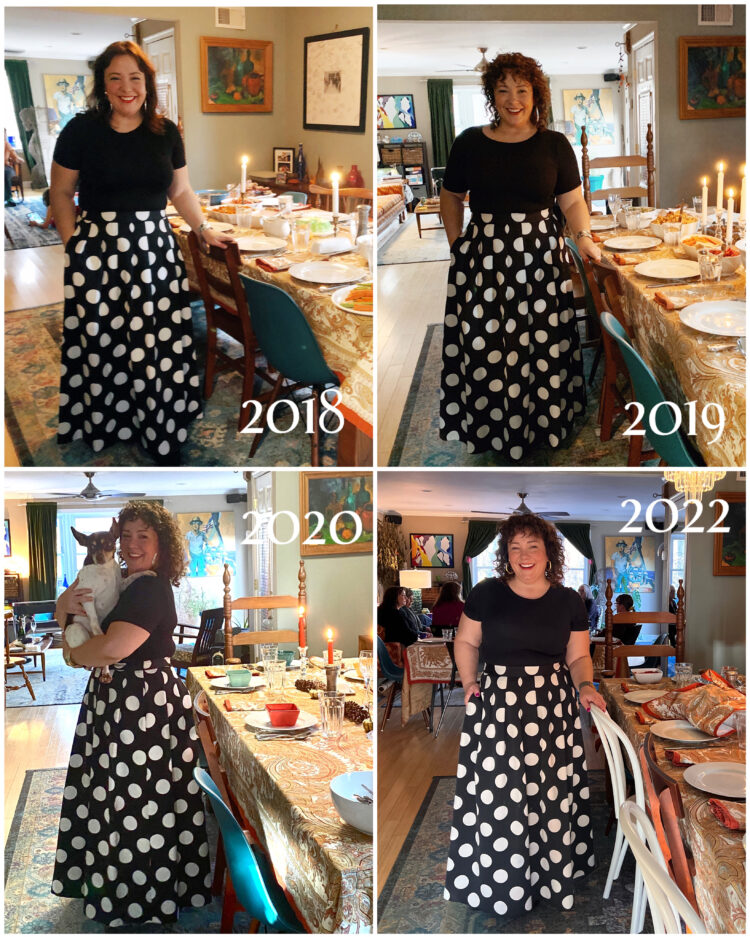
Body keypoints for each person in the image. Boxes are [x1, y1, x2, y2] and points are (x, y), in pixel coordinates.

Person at [50, 40, 234, 464]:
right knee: (105, 341)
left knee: (158, 339)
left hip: (154, 250)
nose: (126, 87)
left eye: (135, 77)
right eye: (115, 77)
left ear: (148, 84)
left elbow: (181, 190)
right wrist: (73, 246)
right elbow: (60, 193)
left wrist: (202, 229)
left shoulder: (166, 132)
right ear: (103, 85)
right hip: (97, 251)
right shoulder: (80, 131)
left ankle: (159, 419)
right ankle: (112, 421)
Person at [52, 501, 212, 925]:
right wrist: (63, 604)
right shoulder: (122, 582)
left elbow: (111, 648)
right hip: (119, 702)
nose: (132, 544)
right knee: (112, 796)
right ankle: (117, 883)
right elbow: (66, 615)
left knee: (137, 802)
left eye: (144, 535)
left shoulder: (149, 588)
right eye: (127, 535)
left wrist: (70, 653)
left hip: (142, 707)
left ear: (161, 544)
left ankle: (137, 899)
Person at [439, 52, 601, 462]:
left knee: (543, 345)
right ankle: (496, 429)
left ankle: (545, 423)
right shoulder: (469, 142)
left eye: (522, 89)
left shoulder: (554, 144)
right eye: (503, 90)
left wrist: (583, 237)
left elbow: (572, 200)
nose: (513, 99)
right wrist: (457, 243)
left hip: (542, 259)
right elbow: (451, 196)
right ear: (492, 95)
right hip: (484, 258)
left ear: (536, 94)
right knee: (490, 343)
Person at [444, 512, 604, 918]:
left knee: (548, 795)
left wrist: (585, 685)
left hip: (551, 707)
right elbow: (465, 641)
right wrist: (468, 682)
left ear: (549, 552)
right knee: (502, 795)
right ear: (506, 555)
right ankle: (503, 881)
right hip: (497, 704)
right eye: (515, 547)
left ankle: (549, 877)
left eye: (533, 545)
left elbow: (579, 656)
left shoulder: (569, 601)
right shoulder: (486, 593)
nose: (524, 555)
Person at [4, 130, 22, 207]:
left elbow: (15, 156)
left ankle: (8, 199)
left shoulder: (6, 144)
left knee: (5, 172)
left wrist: (18, 159)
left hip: (6, 168)